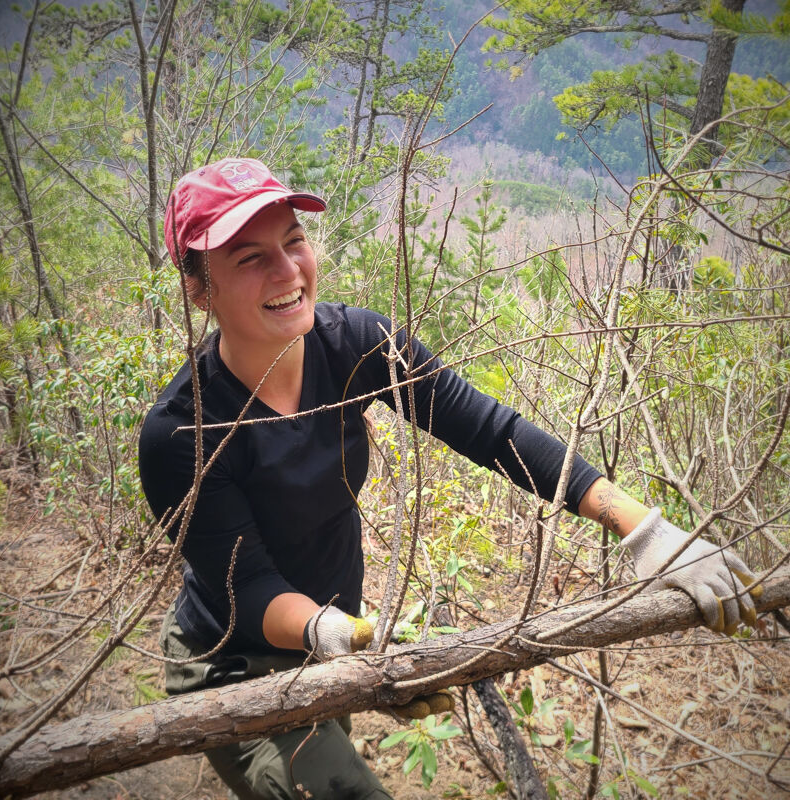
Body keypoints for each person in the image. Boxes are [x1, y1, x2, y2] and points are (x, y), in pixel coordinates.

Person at [139, 157, 762, 800]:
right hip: (235, 666)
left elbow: (494, 434)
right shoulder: (180, 434)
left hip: (331, 639)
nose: (288, 270)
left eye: (294, 240)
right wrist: (351, 638)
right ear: (199, 287)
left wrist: (647, 532)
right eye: (248, 257)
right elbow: (255, 587)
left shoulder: (357, 343)